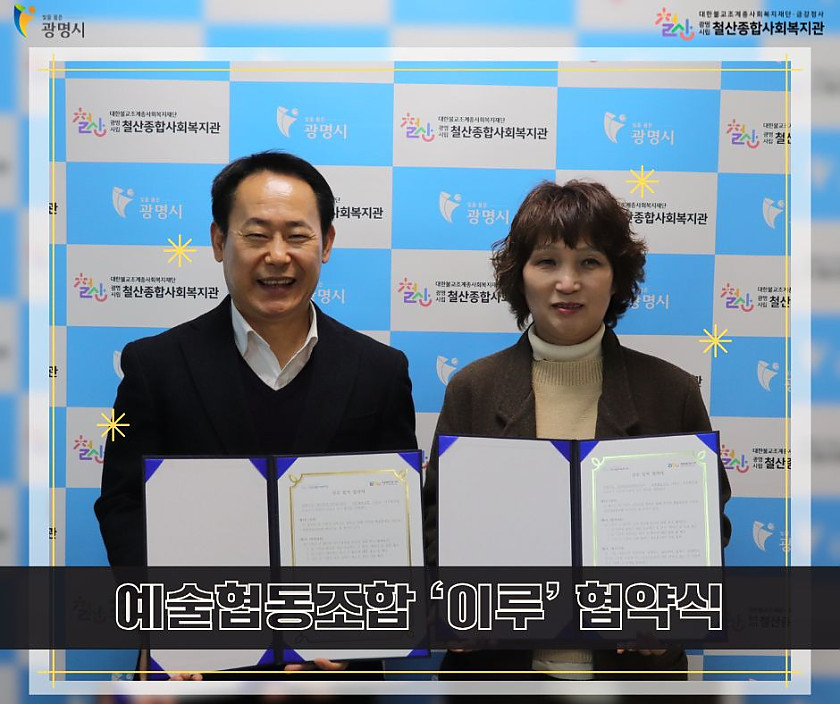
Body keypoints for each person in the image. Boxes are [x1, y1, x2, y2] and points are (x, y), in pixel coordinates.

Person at [94, 150, 417, 678]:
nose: (277, 255)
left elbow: (393, 517)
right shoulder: (155, 366)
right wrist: (167, 627)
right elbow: (124, 506)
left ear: (326, 243)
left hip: (332, 667)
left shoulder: (380, 371)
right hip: (195, 663)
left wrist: (354, 639)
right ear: (219, 241)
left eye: (297, 235)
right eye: (256, 234)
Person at [423, 179, 731, 680]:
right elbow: (434, 526)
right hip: (499, 673)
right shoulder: (473, 388)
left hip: (629, 676)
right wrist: (453, 608)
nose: (567, 283)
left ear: (616, 277)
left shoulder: (670, 391)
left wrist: (673, 613)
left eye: (589, 262)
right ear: (520, 276)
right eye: (547, 262)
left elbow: (708, 528)